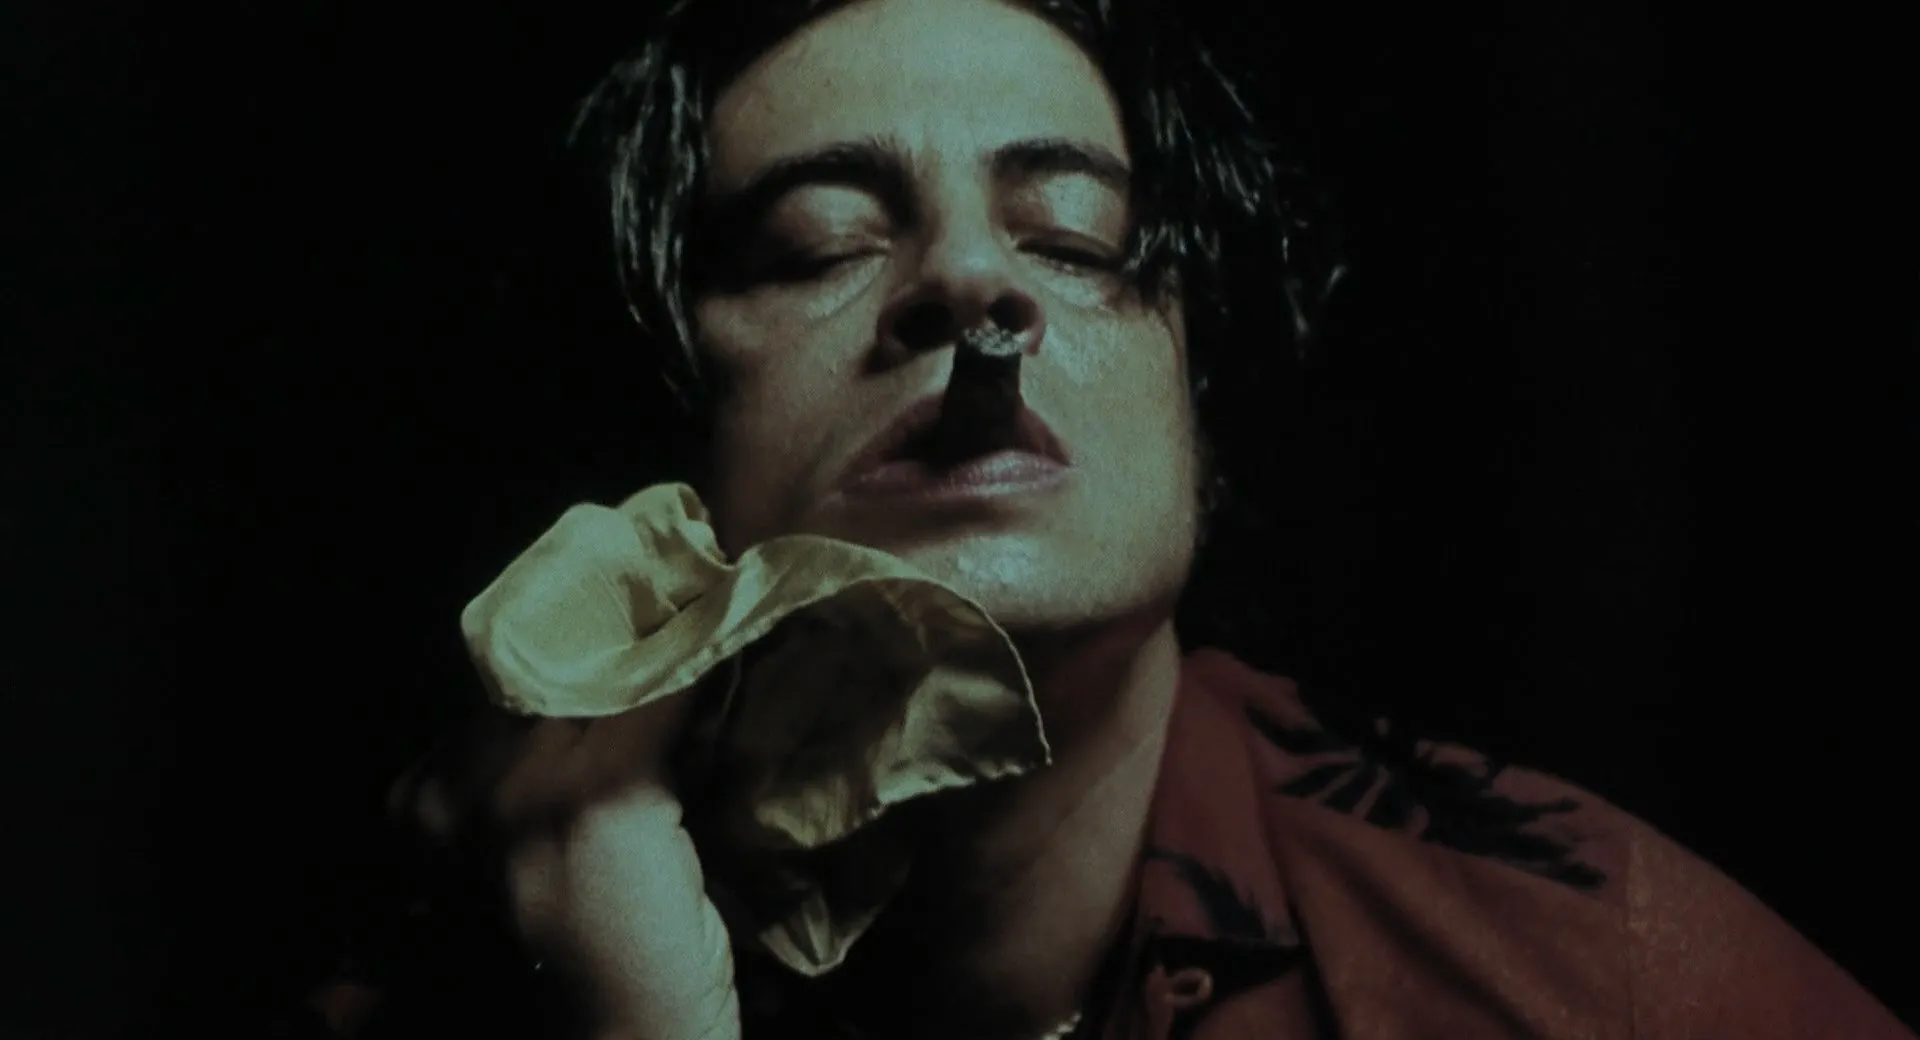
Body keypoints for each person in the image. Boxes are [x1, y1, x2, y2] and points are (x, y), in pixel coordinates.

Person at [283, 0, 1911, 1037]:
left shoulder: (1605, 982)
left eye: (1072, 236)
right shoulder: (438, 988)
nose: (970, 281)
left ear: (1199, 402)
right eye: (821, 242)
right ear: (664, 435)